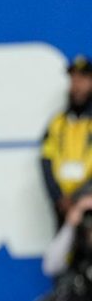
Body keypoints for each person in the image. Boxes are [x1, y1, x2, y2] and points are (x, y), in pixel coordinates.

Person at [40, 56, 92, 223]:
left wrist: (80, 196)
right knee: (62, 247)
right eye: (73, 79)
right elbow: (46, 160)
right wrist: (58, 197)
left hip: (88, 201)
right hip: (62, 204)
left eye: (83, 79)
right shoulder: (57, 123)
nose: (76, 86)